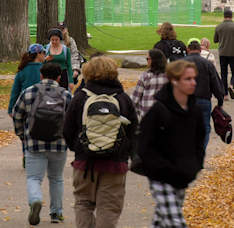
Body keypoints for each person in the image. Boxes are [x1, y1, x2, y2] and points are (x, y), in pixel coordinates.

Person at [63, 56, 138, 228]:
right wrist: (126, 153)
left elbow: (67, 130)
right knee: (109, 208)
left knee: (83, 204)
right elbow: (134, 131)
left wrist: (79, 149)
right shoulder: (123, 98)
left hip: (85, 162)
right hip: (115, 163)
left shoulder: (80, 97)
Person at [137, 60, 206, 228]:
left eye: (194, 78)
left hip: (182, 175)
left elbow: (199, 141)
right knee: (176, 222)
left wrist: (194, 166)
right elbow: (144, 147)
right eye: (188, 79)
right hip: (160, 177)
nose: (193, 82)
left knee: (161, 222)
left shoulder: (194, 110)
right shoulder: (158, 111)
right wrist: (162, 167)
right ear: (175, 81)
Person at [12, 62, 73, 225]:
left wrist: (22, 136)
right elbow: (73, 121)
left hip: (34, 143)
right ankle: (56, 213)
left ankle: (36, 200)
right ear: (59, 78)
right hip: (59, 144)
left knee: (33, 178)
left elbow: (17, 115)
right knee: (56, 178)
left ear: (41, 76)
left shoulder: (29, 92)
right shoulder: (66, 95)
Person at [7, 43, 46, 168]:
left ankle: (26, 155)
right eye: (43, 53)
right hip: (41, 106)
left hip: (24, 106)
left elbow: (15, 91)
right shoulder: (44, 69)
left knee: (25, 132)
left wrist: (11, 108)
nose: (45, 55)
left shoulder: (22, 71)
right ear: (38, 54)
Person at [184, 38, 224, 149]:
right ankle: (200, 152)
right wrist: (220, 100)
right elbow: (215, 83)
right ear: (200, 50)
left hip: (185, 101)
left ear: (188, 50)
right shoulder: (207, 64)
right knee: (204, 128)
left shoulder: (181, 64)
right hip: (203, 99)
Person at [214, 9, 234, 101]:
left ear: (224, 16)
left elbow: (215, 40)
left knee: (223, 73)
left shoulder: (218, 27)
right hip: (233, 52)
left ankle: (225, 95)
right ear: (231, 16)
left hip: (222, 52)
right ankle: (231, 85)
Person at [131, 48, 168, 121]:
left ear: (153, 60)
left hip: (146, 112)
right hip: (164, 112)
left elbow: (136, 95)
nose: (147, 61)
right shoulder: (169, 75)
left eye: (148, 59)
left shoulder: (146, 75)